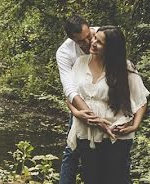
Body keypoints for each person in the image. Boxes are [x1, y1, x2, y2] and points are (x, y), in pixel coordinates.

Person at [65, 26, 148, 184]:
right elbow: (70, 96)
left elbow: (141, 100)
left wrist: (135, 126)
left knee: (116, 179)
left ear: (111, 48)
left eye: (100, 42)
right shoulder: (80, 63)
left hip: (115, 133)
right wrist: (76, 113)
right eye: (95, 38)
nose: (93, 43)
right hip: (86, 131)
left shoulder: (124, 68)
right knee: (91, 178)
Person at [56, 15, 99, 184]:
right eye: (81, 41)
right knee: (72, 149)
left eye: (89, 36)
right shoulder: (65, 52)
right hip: (81, 103)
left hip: (107, 101)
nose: (89, 43)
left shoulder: (104, 37)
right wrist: (80, 112)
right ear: (72, 40)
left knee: (111, 150)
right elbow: (69, 88)